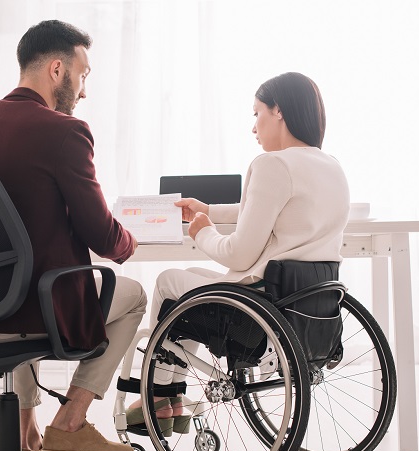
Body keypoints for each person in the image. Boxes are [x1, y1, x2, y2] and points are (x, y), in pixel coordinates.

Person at [0, 20, 147, 451]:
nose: (85, 89)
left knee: (27, 278)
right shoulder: (65, 132)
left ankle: (24, 433)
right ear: (58, 70)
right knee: (131, 297)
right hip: (28, 309)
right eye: (84, 74)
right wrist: (131, 242)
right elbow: (100, 233)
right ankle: (70, 422)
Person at [126, 71, 350, 428]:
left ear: (278, 111)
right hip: (303, 307)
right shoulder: (329, 165)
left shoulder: (272, 164)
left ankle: (157, 397)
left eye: (257, 113)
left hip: (257, 312)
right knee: (195, 279)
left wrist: (203, 231)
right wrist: (208, 210)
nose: (254, 126)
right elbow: (270, 208)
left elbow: (238, 256)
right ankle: (171, 399)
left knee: (169, 281)